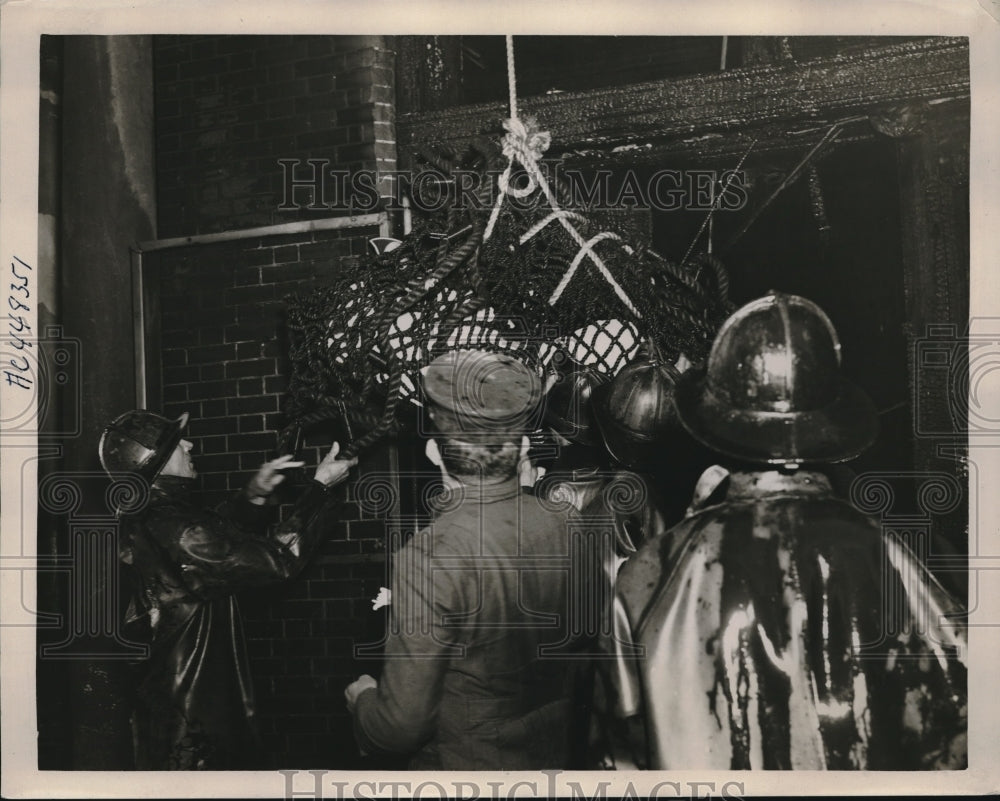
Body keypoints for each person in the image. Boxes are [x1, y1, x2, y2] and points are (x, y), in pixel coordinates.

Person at [612, 292, 968, 770]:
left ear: (714, 421)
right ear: (829, 421)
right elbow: (965, 713)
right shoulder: (895, 558)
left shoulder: (651, 575)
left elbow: (617, 756)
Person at [344, 349, 590, 769]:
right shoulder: (567, 522)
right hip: (559, 758)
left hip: (470, 769)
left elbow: (400, 728)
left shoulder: (429, 556)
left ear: (434, 454)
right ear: (524, 447)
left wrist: (362, 701)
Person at [99, 409, 357, 769]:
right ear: (152, 462)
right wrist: (320, 490)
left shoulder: (147, 514)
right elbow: (277, 560)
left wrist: (252, 496)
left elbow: (206, 545)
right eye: (176, 443)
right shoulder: (176, 526)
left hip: (167, 705)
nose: (189, 444)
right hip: (194, 718)